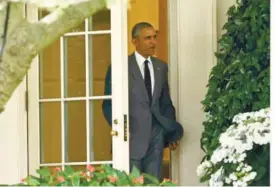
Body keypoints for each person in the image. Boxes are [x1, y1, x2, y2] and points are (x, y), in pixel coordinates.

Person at [102, 22, 183, 181]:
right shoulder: (120, 67)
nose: (153, 42)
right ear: (135, 41)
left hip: (156, 138)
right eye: (148, 38)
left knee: (153, 183)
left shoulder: (161, 67)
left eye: (154, 37)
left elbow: (165, 102)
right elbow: (108, 104)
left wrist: (171, 133)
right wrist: (120, 130)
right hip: (130, 138)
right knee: (130, 183)